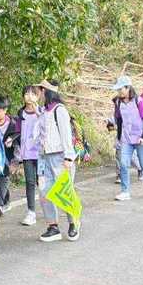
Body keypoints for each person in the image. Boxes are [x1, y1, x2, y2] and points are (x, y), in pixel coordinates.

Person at [35, 79, 80, 242]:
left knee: (64, 191)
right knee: (44, 192)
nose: (37, 94)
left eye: (39, 91)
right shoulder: (44, 111)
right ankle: (52, 226)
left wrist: (68, 157)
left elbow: (66, 134)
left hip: (60, 156)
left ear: (45, 91)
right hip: (44, 157)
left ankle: (73, 222)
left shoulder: (59, 110)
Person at [111, 76, 143, 201]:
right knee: (123, 164)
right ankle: (125, 191)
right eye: (118, 90)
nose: (119, 92)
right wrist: (119, 137)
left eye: (121, 89)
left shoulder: (139, 101)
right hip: (126, 138)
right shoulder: (118, 102)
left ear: (128, 88)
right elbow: (119, 120)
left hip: (141, 138)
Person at [15, 87, 42, 226]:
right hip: (27, 154)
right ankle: (31, 212)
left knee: (42, 183)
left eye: (33, 93)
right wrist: (12, 140)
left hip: (41, 154)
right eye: (26, 93)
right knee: (30, 182)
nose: (29, 96)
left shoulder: (42, 112)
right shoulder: (21, 113)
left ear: (38, 96)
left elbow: (46, 127)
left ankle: (49, 208)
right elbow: (17, 132)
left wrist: (38, 112)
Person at [0, 96, 17, 218]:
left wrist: (15, 161)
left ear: (5, 110)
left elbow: (20, 141)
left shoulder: (14, 124)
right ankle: (5, 201)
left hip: (8, 157)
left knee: (3, 177)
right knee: (0, 179)